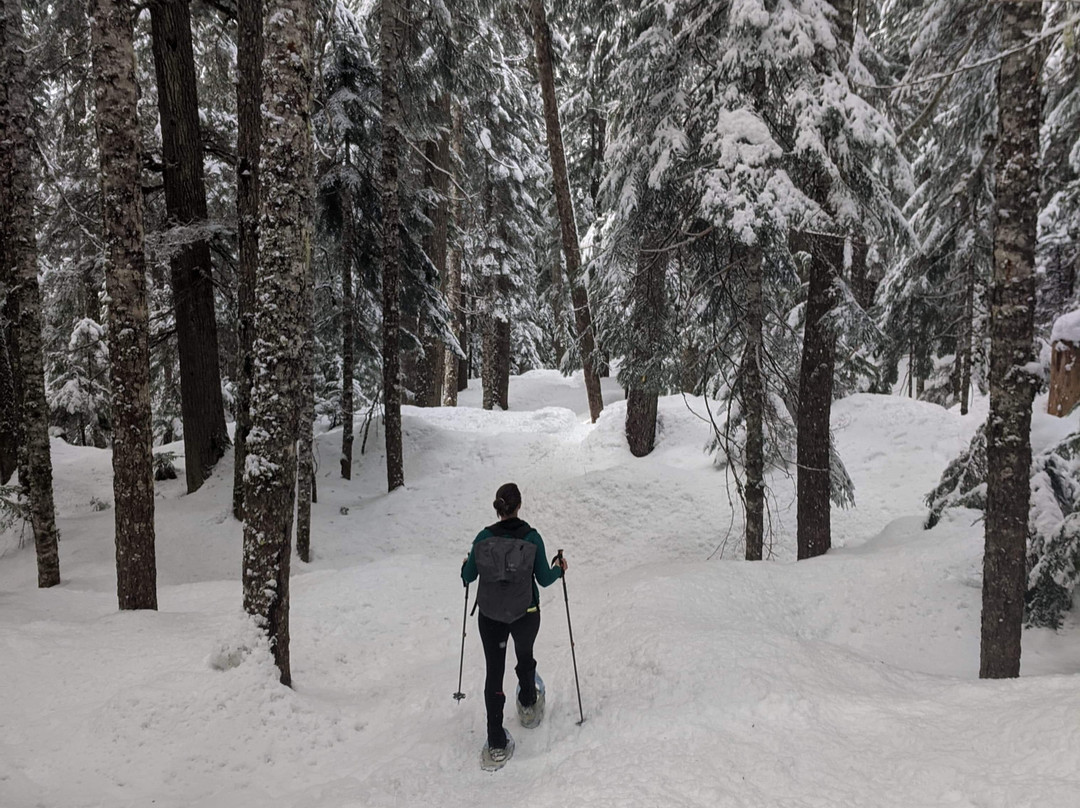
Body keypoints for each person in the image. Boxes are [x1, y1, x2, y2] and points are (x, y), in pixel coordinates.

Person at [461, 482, 567, 767]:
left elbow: (469, 576)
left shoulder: (483, 538)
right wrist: (560, 569)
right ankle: (529, 705)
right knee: (524, 656)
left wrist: (464, 566)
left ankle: (496, 743)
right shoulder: (532, 538)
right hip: (525, 613)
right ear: (518, 506)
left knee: (494, 672)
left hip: (491, 617)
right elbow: (544, 578)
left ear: (498, 508)